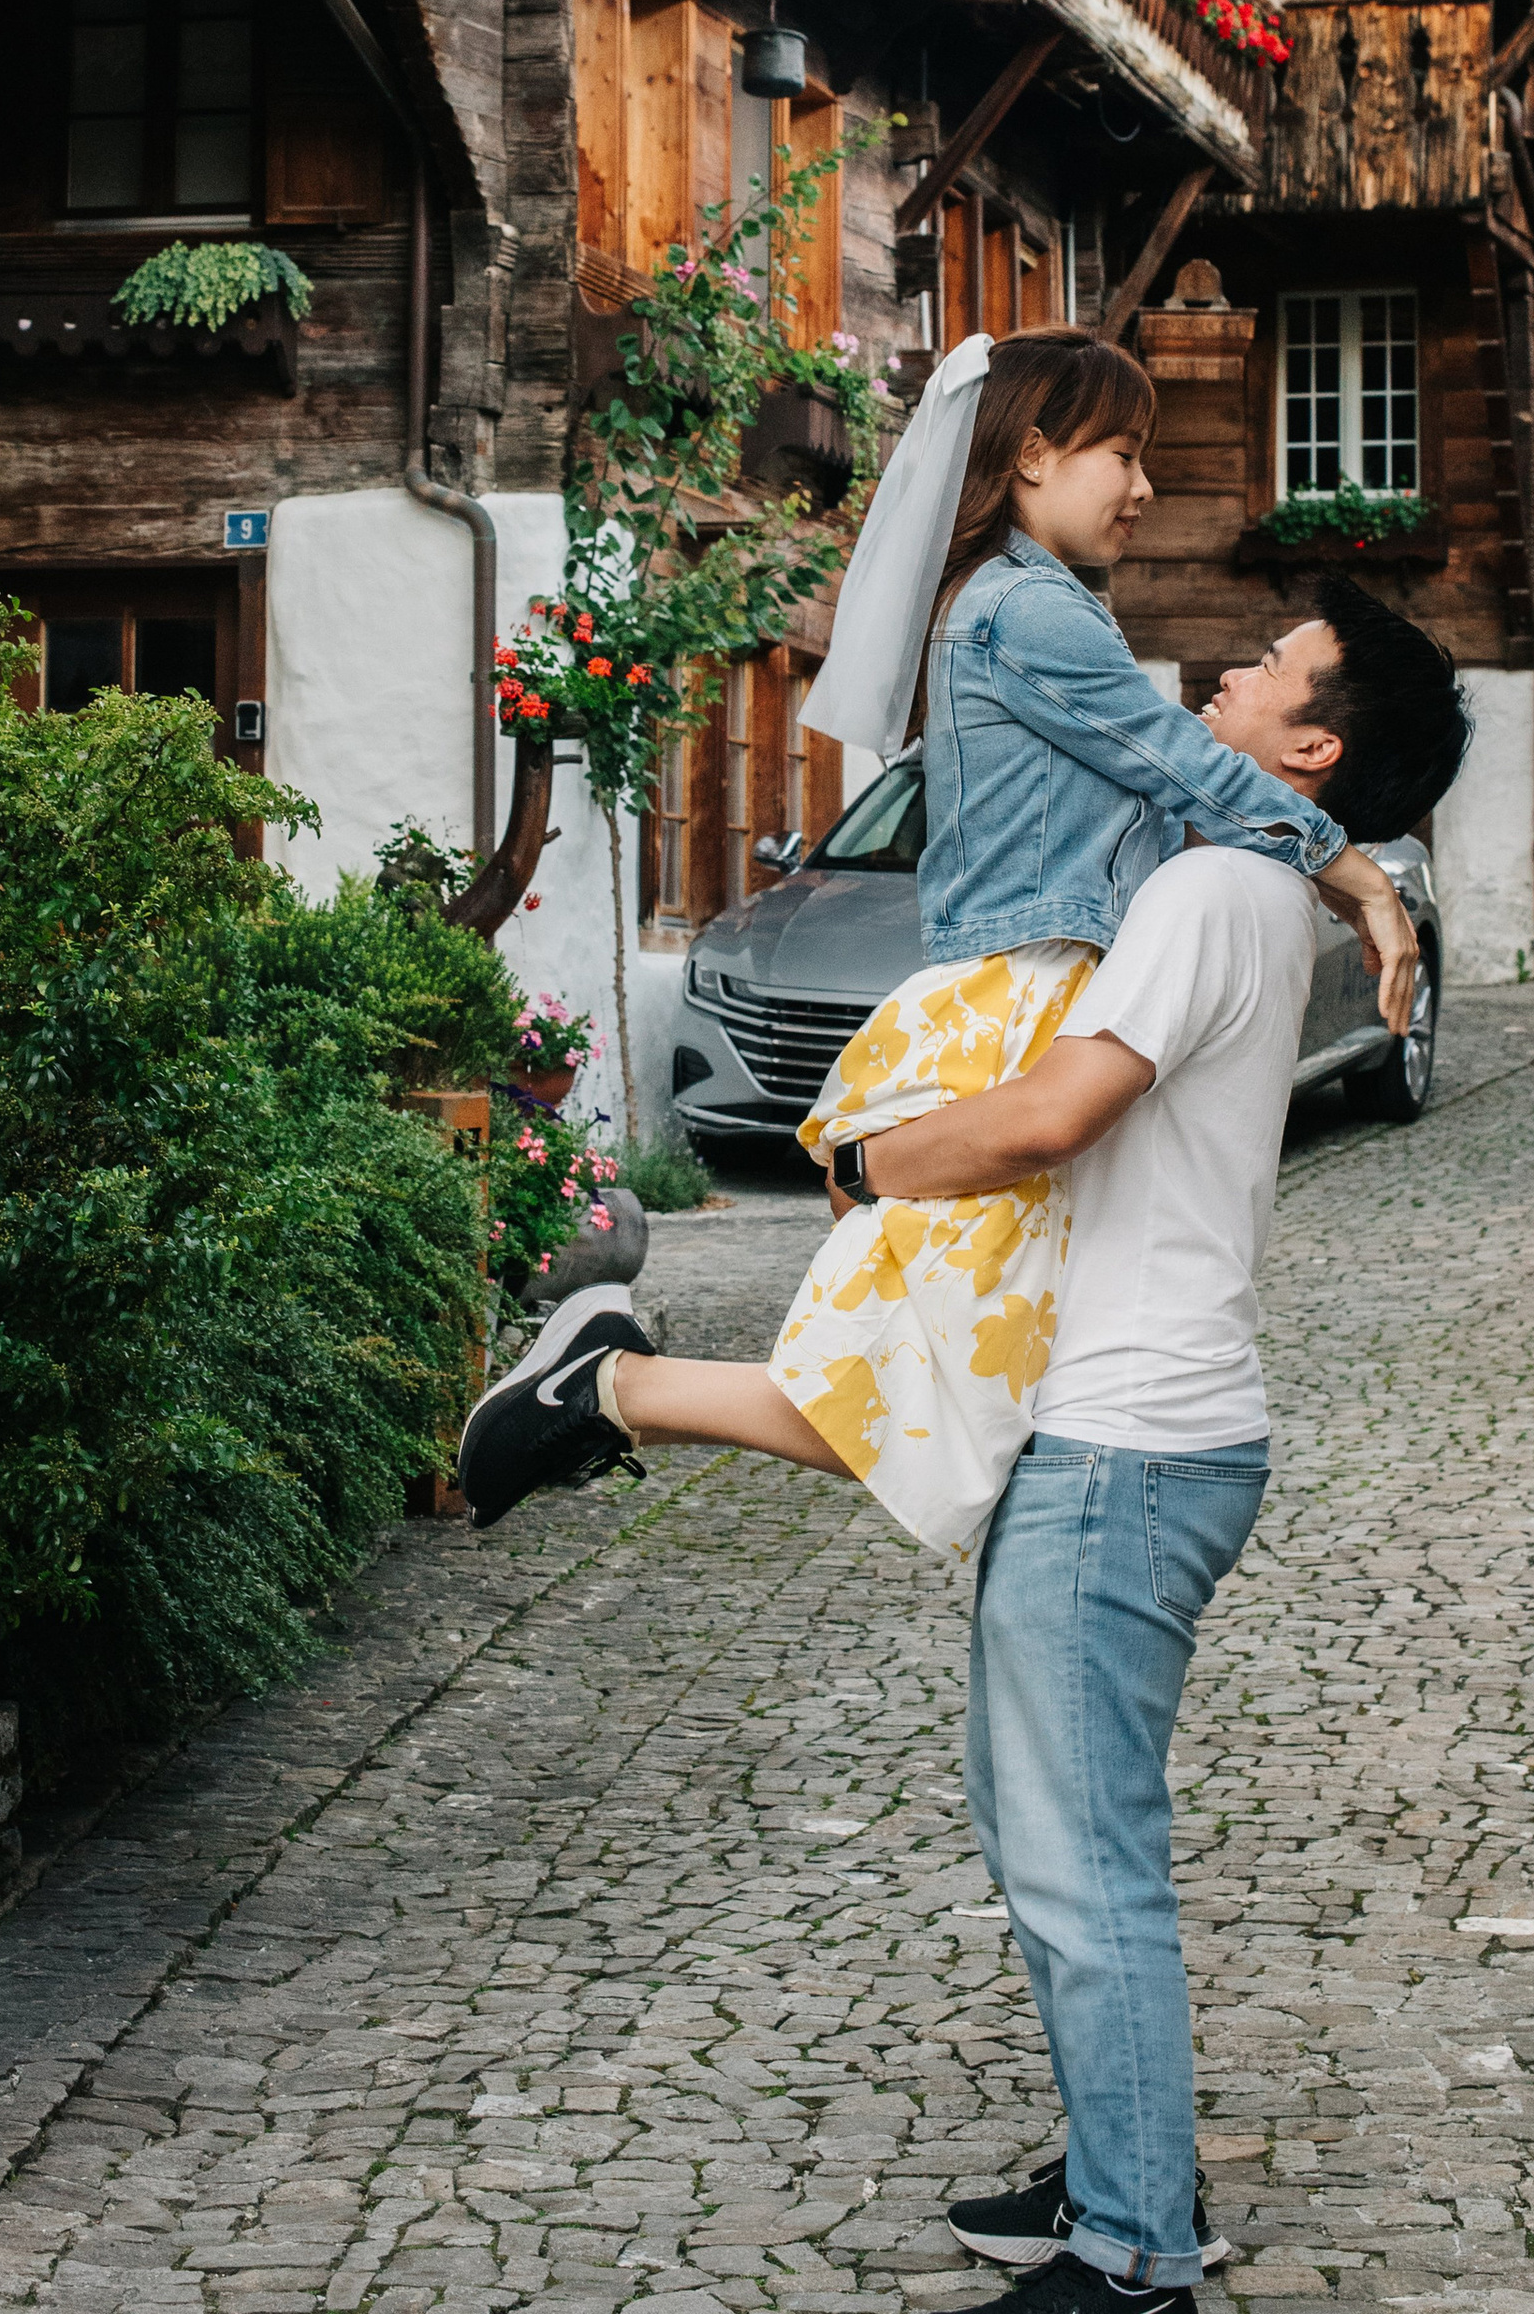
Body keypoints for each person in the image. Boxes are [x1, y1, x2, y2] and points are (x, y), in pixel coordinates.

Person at [465, 576, 1473, 2314]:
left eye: (1267, 665)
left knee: (1082, 1866)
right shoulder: (1240, 872)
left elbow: (1043, 1115)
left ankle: (1136, 2272)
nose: (1224, 670)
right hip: (1145, 1430)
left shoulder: (1199, 892)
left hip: (1129, 1447)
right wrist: (1362, 869)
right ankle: (1123, 2173)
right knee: (1060, 1840)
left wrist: (862, 1150)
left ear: (1310, 740)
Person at [461, 328, 1418, 1551]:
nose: (1142, 487)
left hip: (1023, 993)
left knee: (955, 1388)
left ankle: (608, 1389)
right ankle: (608, 1388)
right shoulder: (1025, 611)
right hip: (1013, 1000)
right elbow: (1173, 760)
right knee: (951, 1392)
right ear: (1028, 456)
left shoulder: (1036, 605)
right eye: (1120, 453)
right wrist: (1354, 872)